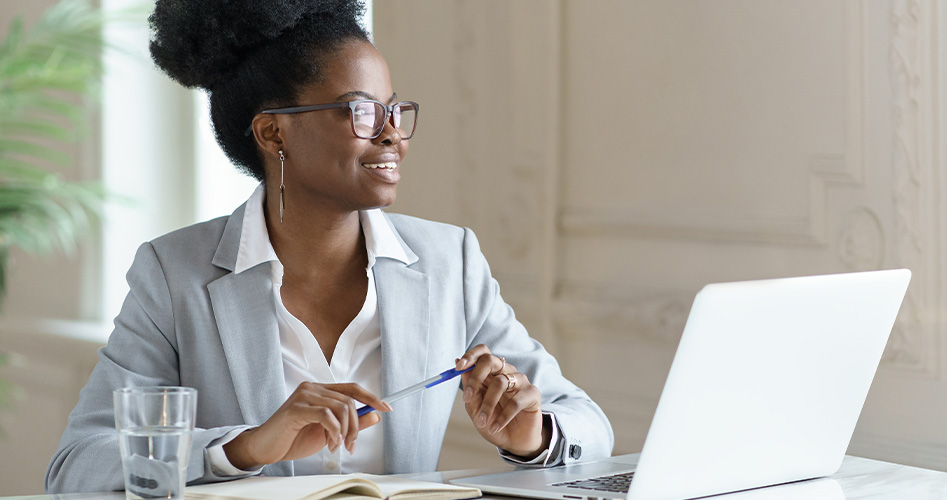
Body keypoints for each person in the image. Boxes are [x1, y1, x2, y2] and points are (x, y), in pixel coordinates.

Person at [45, 0, 613, 493]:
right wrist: (247, 447)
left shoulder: (449, 261)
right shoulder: (175, 273)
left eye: (394, 108)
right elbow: (76, 467)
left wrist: (531, 434)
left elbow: (590, 426)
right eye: (361, 111)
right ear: (273, 133)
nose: (391, 132)